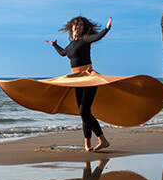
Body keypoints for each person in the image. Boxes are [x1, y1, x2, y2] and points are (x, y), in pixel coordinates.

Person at [45, 16, 112, 151]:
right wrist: (54, 44)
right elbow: (63, 53)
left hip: (88, 77)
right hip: (76, 79)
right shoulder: (70, 45)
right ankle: (87, 144)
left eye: (81, 25)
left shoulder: (85, 39)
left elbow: (97, 37)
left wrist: (107, 29)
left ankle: (102, 140)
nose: (78, 27)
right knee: (84, 113)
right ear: (72, 27)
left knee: (84, 111)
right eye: (76, 25)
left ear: (83, 28)